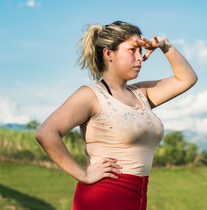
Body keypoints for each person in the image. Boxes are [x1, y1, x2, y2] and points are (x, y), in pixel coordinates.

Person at [35, 21, 197, 210]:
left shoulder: (141, 93)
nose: (140, 58)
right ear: (109, 53)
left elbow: (186, 78)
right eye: (132, 50)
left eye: (141, 50)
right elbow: (46, 133)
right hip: (103, 196)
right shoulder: (91, 95)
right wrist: (83, 175)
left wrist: (164, 44)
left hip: (138, 197)